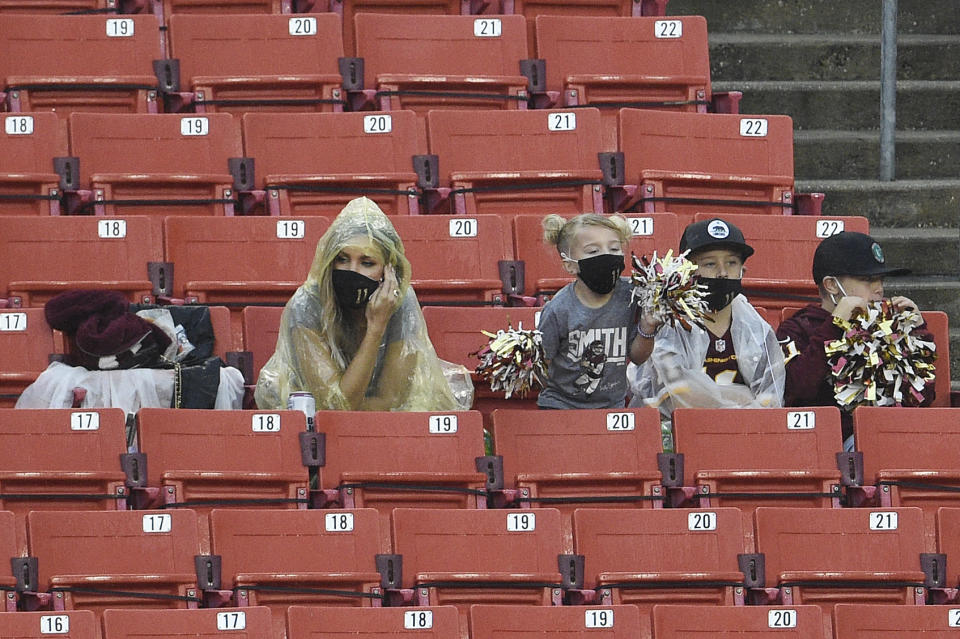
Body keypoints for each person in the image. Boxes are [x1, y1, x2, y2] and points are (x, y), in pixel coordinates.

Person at [255, 197, 472, 411]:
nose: (353, 271)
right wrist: (375, 330)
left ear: (389, 271)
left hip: (381, 425)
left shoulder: (398, 300)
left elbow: (391, 401)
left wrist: (379, 321)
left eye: (367, 263)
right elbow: (337, 405)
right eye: (342, 259)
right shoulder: (307, 305)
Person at [776, 230, 935, 447]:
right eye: (867, 280)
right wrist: (835, 325)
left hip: (895, 438)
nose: (879, 289)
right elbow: (796, 390)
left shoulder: (890, 326)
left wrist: (917, 333)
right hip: (830, 446)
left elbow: (923, 399)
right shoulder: (797, 328)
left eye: (880, 279)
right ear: (832, 285)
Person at [627, 218, 785, 419]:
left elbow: (772, 401)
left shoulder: (758, 329)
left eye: (732, 263)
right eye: (710, 264)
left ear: (742, 271)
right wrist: (743, 398)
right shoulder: (669, 323)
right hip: (676, 439)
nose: (722, 273)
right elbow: (676, 396)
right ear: (686, 271)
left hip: (746, 437)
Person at [536, 213, 653, 409]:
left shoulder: (632, 295)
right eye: (593, 251)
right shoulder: (558, 309)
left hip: (612, 407)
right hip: (561, 406)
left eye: (614, 248)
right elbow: (541, 365)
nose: (606, 256)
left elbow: (638, 357)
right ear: (570, 265)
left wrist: (648, 327)